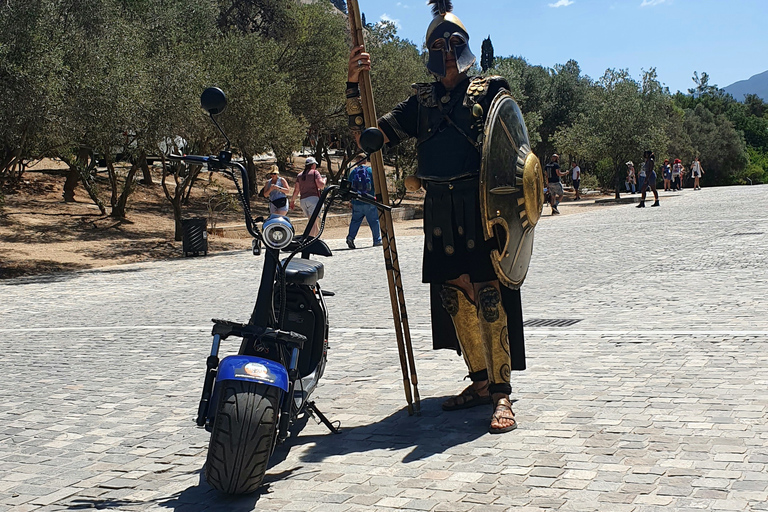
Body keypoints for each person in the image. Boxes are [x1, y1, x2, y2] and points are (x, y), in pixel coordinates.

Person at [347, 0, 529, 433]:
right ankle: (480, 381)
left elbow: (514, 150)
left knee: (488, 294)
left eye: (455, 43)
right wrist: (354, 84)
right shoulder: (421, 102)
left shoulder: (489, 93)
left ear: (464, 48)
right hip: (440, 209)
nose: (448, 50)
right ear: (429, 50)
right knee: (454, 294)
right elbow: (368, 135)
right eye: (439, 43)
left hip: (482, 206)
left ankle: (502, 395)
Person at [345, 158, 382, 249]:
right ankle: (377, 240)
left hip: (357, 201)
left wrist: (350, 201)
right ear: (365, 161)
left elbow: (349, 187)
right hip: (369, 200)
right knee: (374, 221)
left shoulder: (353, 172)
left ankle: (350, 238)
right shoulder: (370, 170)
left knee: (355, 221)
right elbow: (376, 185)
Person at [290, 157, 326, 236]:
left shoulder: (299, 175)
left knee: (313, 222)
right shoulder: (315, 173)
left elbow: (296, 190)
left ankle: (317, 239)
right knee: (313, 224)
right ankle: (309, 241)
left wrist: (292, 201)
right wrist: (324, 180)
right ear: (313, 165)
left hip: (303, 201)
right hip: (314, 200)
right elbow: (321, 185)